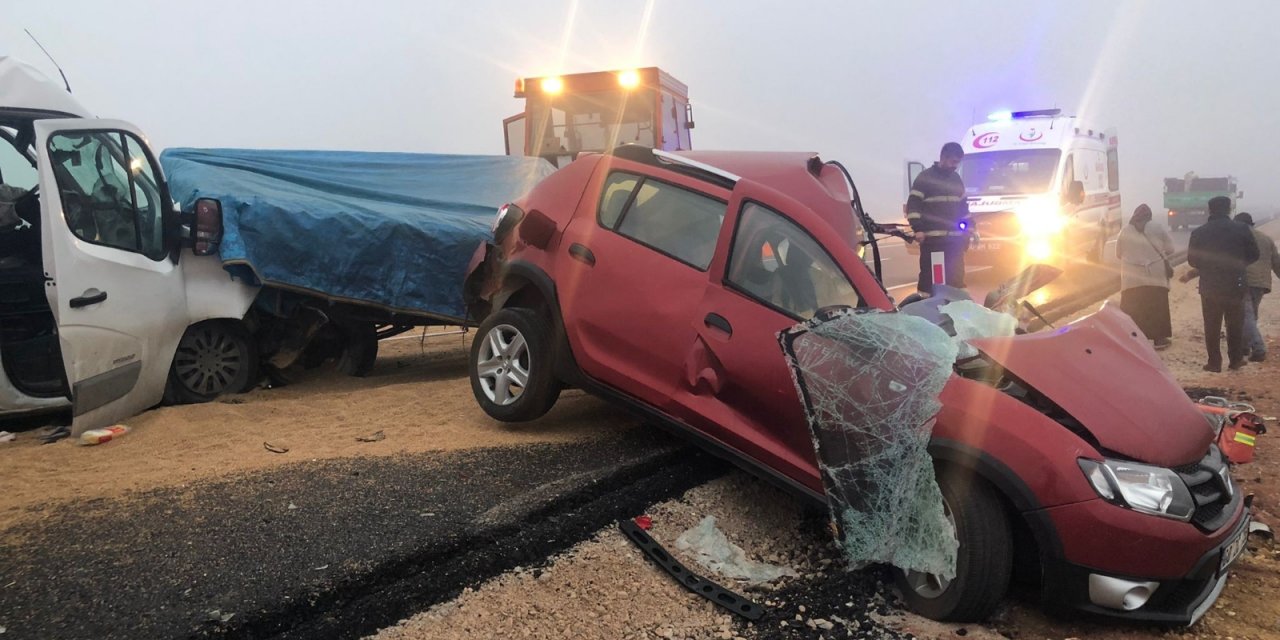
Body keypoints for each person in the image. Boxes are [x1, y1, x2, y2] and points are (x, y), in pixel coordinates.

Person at [1182, 196, 1259, 372]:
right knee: (1234, 324)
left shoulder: (1199, 232)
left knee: (1211, 326)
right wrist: (1238, 264)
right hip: (1235, 283)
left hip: (1210, 285)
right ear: (1229, 209)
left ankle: (1214, 363)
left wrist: (1208, 267)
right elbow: (1254, 254)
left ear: (1210, 210)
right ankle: (1236, 359)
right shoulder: (1241, 229)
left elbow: (1192, 261)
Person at [907, 142, 971, 295]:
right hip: (932, 241)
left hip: (955, 242)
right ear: (943, 158)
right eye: (953, 162)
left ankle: (957, 310)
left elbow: (963, 208)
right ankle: (925, 309)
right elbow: (913, 205)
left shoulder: (956, 179)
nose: (955, 166)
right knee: (930, 280)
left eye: (958, 162)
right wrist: (918, 229)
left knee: (956, 279)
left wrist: (969, 229)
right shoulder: (925, 178)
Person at [1116, 204, 1174, 348]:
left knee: (1133, 309)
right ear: (1149, 215)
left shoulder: (1125, 230)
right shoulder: (1157, 227)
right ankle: (1159, 339)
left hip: (1132, 279)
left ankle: (1132, 339)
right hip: (1155, 277)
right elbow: (1170, 249)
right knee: (1157, 307)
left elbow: (1118, 253)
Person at [1235, 212, 1280, 361]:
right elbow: (1277, 263)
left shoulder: (1238, 238)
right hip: (1261, 284)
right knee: (1251, 315)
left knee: (1246, 315)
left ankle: (1258, 348)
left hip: (1244, 281)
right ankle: (1244, 347)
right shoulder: (1266, 238)